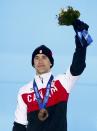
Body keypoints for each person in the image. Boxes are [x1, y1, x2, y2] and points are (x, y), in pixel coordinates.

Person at [12, 20, 92, 131]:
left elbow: (78, 66)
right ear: (33, 64)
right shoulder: (23, 91)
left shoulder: (63, 82)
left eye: (44, 57)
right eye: (37, 58)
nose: (40, 61)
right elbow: (19, 126)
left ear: (51, 62)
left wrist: (81, 44)